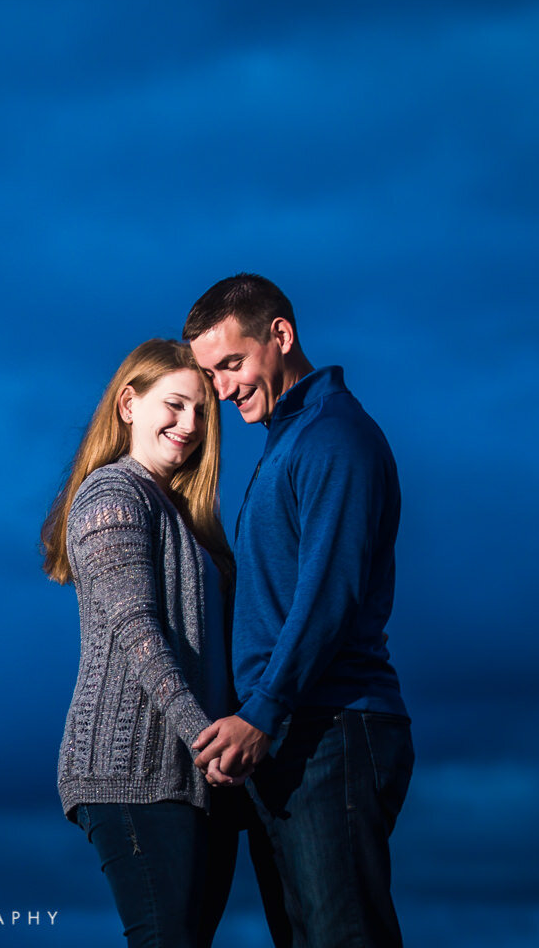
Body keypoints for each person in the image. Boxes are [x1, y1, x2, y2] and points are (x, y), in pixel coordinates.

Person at [184, 274, 413, 947]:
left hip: (333, 728)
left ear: (280, 335)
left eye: (231, 364)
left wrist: (263, 710)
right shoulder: (288, 440)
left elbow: (328, 594)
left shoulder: (333, 438)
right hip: (292, 735)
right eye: (210, 374)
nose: (221, 390)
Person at [41, 338, 274, 948]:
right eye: (174, 404)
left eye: (202, 412)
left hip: (199, 775)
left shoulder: (185, 515)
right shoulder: (112, 494)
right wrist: (207, 738)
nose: (190, 425)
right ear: (128, 403)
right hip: (132, 768)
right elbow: (135, 630)